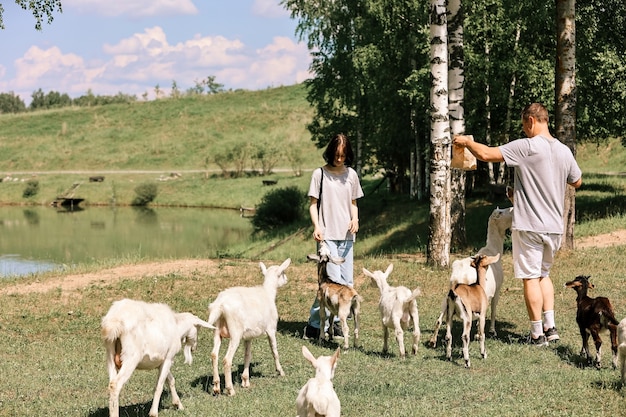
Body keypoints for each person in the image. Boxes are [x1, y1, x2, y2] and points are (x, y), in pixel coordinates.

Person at [453, 103, 582, 346]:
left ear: (531, 121)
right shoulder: (564, 151)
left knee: (530, 277)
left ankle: (536, 335)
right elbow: (577, 181)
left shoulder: (527, 146)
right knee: (544, 274)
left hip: (530, 225)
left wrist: (467, 143)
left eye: (524, 125)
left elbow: (487, 154)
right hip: (554, 226)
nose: (524, 131)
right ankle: (550, 327)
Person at [303, 133, 364, 340]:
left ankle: (337, 324)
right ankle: (314, 325)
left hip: (347, 236)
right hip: (327, 234)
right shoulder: (319, 174)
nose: (340, 159)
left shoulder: (352, 175)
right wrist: (317, 226)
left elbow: (354, 203)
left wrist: (355, 220)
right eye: (337, 155)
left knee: (346, 282)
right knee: (330, 282)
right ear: (330, 153)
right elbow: (313, 204)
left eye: (343, 155)